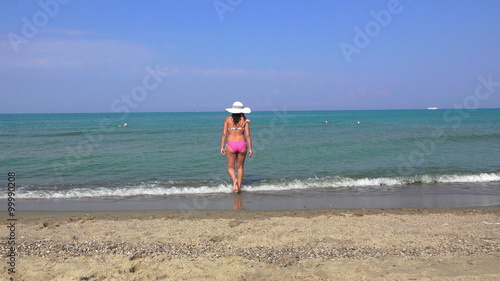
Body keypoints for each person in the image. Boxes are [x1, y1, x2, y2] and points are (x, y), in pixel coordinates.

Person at [220, 101, 253, 193]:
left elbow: (224, 134)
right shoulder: (245, 120)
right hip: (242, 144)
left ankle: (235, 180)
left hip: (231, 144)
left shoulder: (227, 119)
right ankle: (238, 187)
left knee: (230, 167)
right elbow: (248, 135)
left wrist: (222, 147)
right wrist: (250, 149)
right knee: (240, 167)